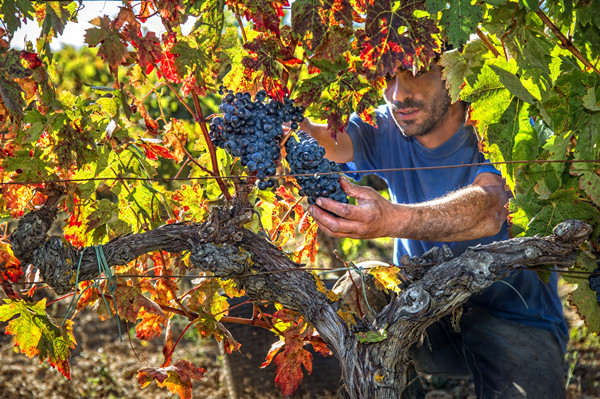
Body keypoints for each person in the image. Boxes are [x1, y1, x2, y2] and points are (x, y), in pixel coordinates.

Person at [300, 60, 568, 398]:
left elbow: (490, 208)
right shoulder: (384, 125)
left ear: (455, 69)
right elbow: (325, 140)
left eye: (414, 72)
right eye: (387, 76)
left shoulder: (498, 121)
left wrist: (391, 219)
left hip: (516, 321)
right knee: (357, 286)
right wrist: (285, 122)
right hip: (423, 315)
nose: (398, 94)